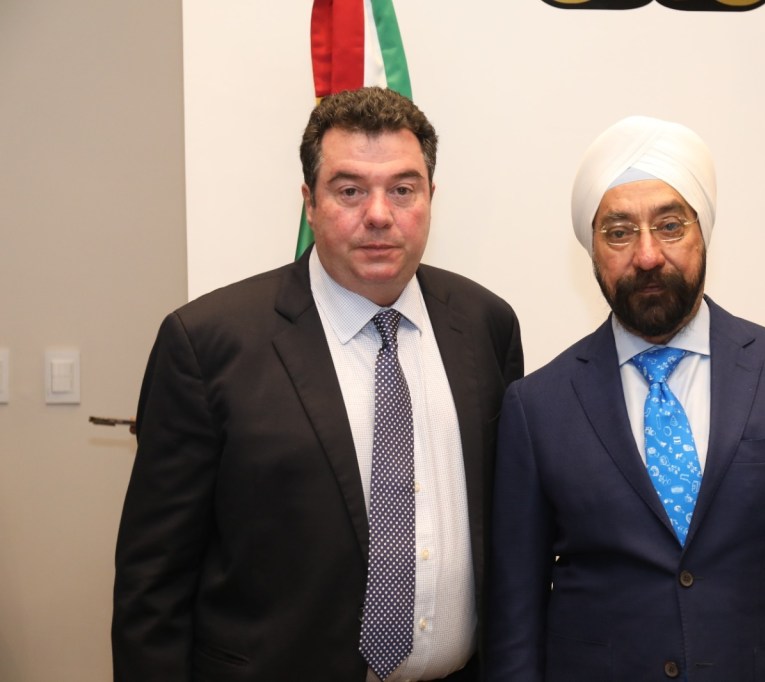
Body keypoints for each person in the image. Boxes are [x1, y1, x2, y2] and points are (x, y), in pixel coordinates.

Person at [112, 86, 523, 682]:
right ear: (309, 202)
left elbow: (509, 533)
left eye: (403, 189)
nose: (378, 214)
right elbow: (153, 582)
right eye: (350, 190)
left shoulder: (486, 325)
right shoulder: (207, 344)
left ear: (431, 198)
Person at [486, 115, 765, 681]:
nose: (648, 255)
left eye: (670, 226)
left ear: (703, 232)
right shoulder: (537, 408)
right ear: (592, 250)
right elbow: (515, 620)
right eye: (619, 232)